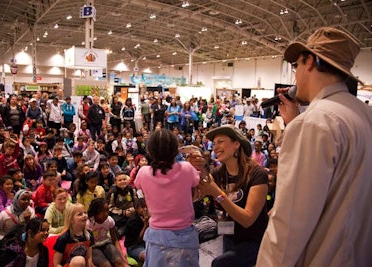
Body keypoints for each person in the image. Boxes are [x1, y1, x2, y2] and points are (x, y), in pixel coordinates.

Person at [256, 27, 372, 266]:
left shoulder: (315, 123)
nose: (295, 75)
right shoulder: (364, 114)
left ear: (309, 61)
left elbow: (289, 226)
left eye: (296, 66)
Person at [198, 124, 269, 267]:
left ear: (236, 144)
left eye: (221, 141)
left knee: (220, 264)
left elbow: (248, 219)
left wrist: (218, 194)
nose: (215, 146)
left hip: (254, 240)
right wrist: (194, 167)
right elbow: (196, 194)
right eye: (214, 143)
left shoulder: (257, 174)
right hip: (229, 235)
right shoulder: (218, 174)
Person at [135, 128, 200, 267]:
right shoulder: (187, 168)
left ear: (150, 151)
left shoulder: (143, 172)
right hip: (185, 237)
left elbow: (138, 185)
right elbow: (197, 183)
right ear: (176, 150)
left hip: (157, 237)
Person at [87, 198, 128, 267]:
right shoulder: (88, 224)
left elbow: (115, 239)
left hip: (106, 243)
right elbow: (87, 245)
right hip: (93, 247)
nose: (106, 214)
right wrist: (91, 263)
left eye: (107, 211)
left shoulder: (109, 220)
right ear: (96, 212)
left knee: (119, 261)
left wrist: (122, 258)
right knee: (106, 265)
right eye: (103, 211)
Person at [53, 203, 95, 267]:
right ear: (71, 220)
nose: (84, 215)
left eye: (85, 212)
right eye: (80, 214)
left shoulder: (89, 234)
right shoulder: (63, 238)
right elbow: (56, 264)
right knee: (79, 261)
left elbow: (89, 257)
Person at [124, 198, 149, 264]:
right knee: (147, 257)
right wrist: (146, 224)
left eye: (146, 207)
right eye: (143, 207)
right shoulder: (133, 221)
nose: (145, 209)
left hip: (146, 243)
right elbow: (139, 240)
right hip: (134, 246)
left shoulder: (148, 217)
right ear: (136, 209)